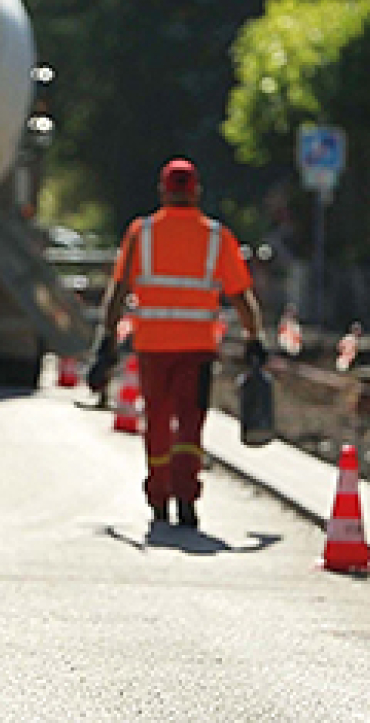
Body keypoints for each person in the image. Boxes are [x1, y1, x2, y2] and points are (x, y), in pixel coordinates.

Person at [88, 158, 265, 528]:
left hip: (152, 347)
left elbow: (118, 292)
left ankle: (158, 497)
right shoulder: (217, 237)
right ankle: (186, 497)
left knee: (156, 421)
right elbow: (241, 297)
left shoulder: (141, 233)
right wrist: (254, 337)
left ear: (163, 191)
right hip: (197, 348)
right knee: (189, 424)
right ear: (196, 191)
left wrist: (106, 339)